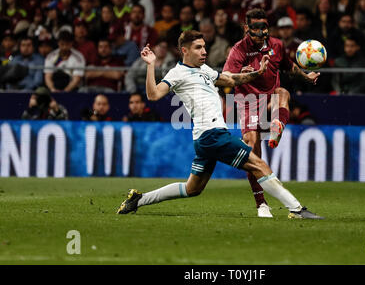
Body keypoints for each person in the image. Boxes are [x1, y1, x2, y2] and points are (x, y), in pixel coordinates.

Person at [117, 31, 324, 221]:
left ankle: (139, 199)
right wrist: (151, 65)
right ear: (184, 51)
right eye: (198, 47)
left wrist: (258, 72)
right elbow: (153, 95)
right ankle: (296, 209)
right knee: (259, 165)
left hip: (206, 138)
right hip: (212, 135)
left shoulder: (204, 69)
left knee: (192, 188)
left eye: (205, 47)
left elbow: (230, 80)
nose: (204, 51)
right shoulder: (176, 73)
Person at [223, 8, 320, 218]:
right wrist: (242, 74)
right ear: (246, 28)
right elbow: (225, 76)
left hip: (269, 102)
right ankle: (262, 205)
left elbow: (289, 66)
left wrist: (306, 77)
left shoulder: (277, 45)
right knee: (253, 155)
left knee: (282, 92)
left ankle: (277, 127)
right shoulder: (238, 50)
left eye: (264, 27)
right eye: (256, 27)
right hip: (248, 105)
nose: (261, 32)